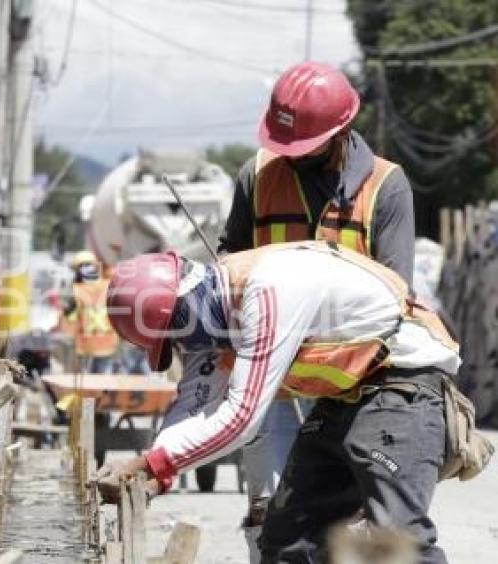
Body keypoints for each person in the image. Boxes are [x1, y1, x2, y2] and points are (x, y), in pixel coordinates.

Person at [97, 241, 462, 563]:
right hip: (349, 395)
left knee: (396, 539)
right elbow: (195, 400)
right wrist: (151, 473)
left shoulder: (266, 290)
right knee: (289, 535)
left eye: (176, 339)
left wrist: (152, 464)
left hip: (403, 382)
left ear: (181, 311)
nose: (184, 348)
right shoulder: (208, 312)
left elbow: (242, 416)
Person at [217, 61, 416, 561]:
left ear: (341, 131)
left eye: (301, 147)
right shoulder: (256, 176)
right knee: (271, 520)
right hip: (273, 386)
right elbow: (229, 266)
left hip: (352, 391)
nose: (289, 158)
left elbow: (398, 298)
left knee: (346, 526)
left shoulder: (386, 188)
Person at [60, 250, 119, 374]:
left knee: (88, 385)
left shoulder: (76, 290)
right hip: (108, 345)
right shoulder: (108, 285)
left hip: (85, 347)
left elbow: (70, 322)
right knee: (103, 385)